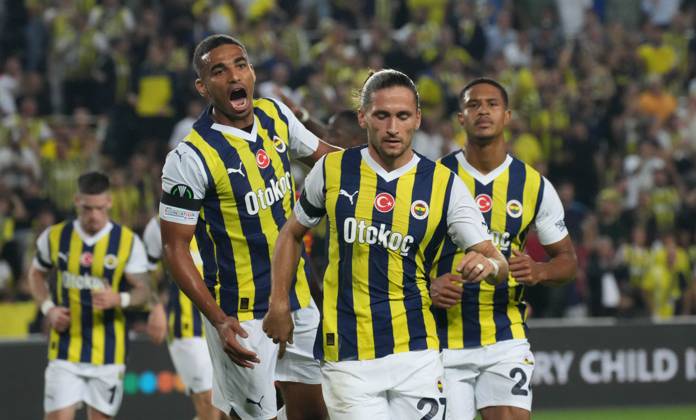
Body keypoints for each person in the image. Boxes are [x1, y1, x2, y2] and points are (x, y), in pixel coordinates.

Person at [262, 69, 508, 420]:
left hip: (418, 353)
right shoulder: (332, 170)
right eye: (382, 115)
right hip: (348, 355)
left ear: (417, 119)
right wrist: (279, 301)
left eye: (402, 116)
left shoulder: (444, 184)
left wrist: (488, 265)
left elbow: (496, 262)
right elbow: (290, 234)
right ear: (363, 117)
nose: (393, 127)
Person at [159, 34, 336, 420]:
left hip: (297, 298)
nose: (234, 76)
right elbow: (174, 249)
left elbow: (330, 163)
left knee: (315, 414)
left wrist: (384, 166)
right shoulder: (189, 158)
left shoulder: (275, 115)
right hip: (240, 315)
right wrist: (219, 321)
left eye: (240, 65)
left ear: (252, 72)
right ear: (203, 87)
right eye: (219, 71)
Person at [430, 78, 577, 420]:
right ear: (461, 118)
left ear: (507, 116)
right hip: (442, 335)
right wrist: (429, 286)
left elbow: (567, 260)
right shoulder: (435, 177)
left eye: (492, 104)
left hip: (504, 333)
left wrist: (540, 271)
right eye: (473, 105)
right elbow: (404, 253)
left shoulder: (534, 185)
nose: (483, 111)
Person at [28, 171, 151, 420]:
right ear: (77, 201)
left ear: (109, 202)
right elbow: (35, 274)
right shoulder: (55, 237)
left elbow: (145, 291)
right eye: (87, 208)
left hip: (109, 352)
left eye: (99, 208)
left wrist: (120, 299)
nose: (93, 215)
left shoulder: (127, 242)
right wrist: (48, 309)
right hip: (65, 348)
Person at [143, 216, 226, 420]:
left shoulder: (222, 212)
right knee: (208, 403)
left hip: (227, 323)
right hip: (187, 326)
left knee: (229, 408)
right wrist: (155, 306)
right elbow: (146, 273)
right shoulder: (158, 225)